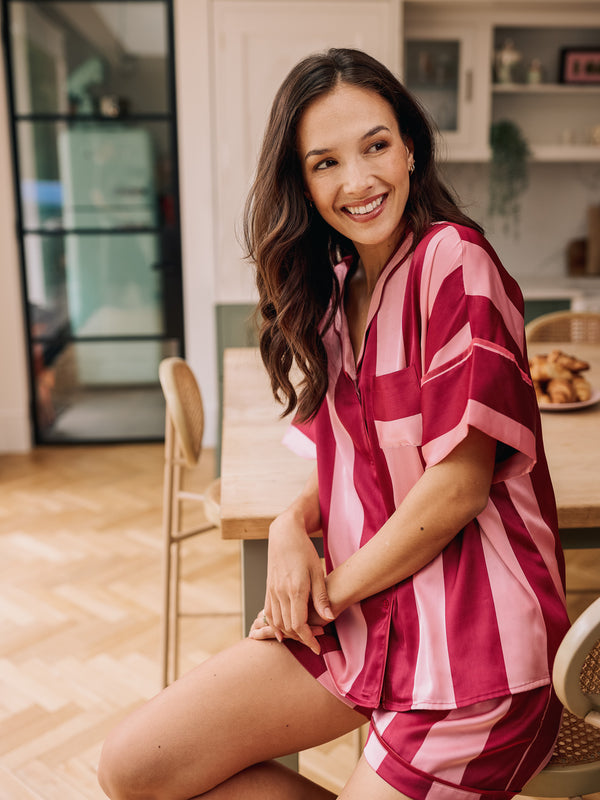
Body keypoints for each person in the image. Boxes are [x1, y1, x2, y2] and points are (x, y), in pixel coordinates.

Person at [98, 47, 570, 800]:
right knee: (136, 768)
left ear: (410, 148)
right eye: (326, 162)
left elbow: (458, 486)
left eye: (375, 146)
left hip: (476, 649)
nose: (358, 181)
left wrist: (326, 594)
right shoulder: (335, 290)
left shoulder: (454, 261)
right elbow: (351, 459)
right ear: (303, 182)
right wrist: (291, 525)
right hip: (373, 621)